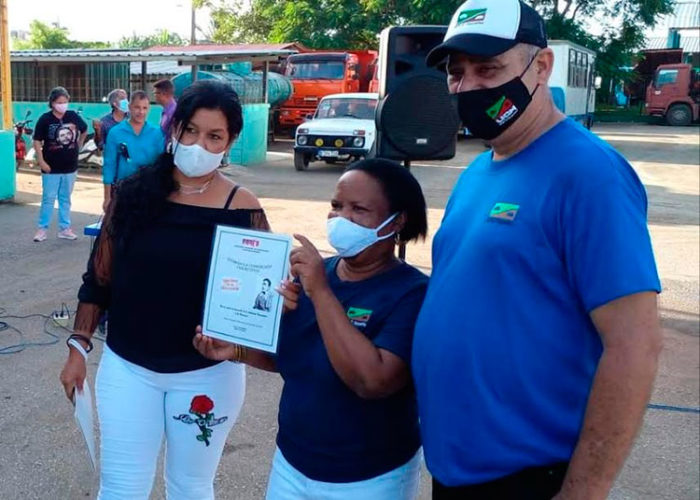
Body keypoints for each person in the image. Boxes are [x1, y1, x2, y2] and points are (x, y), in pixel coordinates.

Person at [412, 0, 663, 498]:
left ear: (541, 67)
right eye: (457, 74)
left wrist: (584, 491)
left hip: (529, 478)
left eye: (489, 69)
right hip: (456, 465)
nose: (469, 87)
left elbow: (635, 346)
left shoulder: (590, 174)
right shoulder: (479, 171)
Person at [59, 80, 269, 500]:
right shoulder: (134, 193)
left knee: (190, 487)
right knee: (121, 487)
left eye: (214, 136)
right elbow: (99, 278)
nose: (199, 144)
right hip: (128, 368)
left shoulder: (243, 209)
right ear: (174, 129)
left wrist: (245, 338)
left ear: (230, 141)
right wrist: (78, 347)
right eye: (191, 130)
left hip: (207, 377)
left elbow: (259, 304)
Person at [194, 158, 430, 500]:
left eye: (359, 209)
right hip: (293, 464)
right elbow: (294, 357)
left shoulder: (411, 292)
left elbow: (373, 380)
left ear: (397, 222)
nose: (340, 218)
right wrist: (237, 350)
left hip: (370, 476)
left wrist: (320, 292)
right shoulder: (314, 275)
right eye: (336, 206)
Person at [32, 86, 88, 242]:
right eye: (59, 102)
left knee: (65, 199)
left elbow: (84, 129)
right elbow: (37, 141)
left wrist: (79, 144)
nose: (63, 105)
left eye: (65, 102)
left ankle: (65, 228)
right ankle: (42, 229)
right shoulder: (45, 119)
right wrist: (41, 161)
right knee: (48, 198)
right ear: (52, 103)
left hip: (70, 166)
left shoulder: (72, 116)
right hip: (51, 167)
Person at [102, 90, 165, 212]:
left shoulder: (157, 133)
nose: (141, 112)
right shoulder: (115, 133)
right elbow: (109, 165)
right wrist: (107, 197)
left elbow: (161, 165)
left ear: (149, 109)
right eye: (137, 107)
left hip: (149, 192)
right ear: (130, 107)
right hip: (123, 192)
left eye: (144, 108)